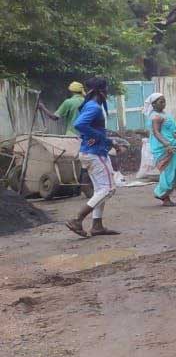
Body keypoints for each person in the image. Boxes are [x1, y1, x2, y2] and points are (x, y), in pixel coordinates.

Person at [67, 77, 119, 238]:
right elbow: (79, 125)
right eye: (106, 89)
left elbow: (85, 127)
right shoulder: (94, 107)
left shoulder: (90, 105)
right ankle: (77, 219)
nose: (107, 92)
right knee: (108, 189)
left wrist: (97, 137)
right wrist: (99, 137)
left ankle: (97, 226)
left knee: (99, 190)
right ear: (101, 90)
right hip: (95, 153)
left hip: (91, 152)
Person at [147, 93, 176, 206]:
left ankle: (165, 194)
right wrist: (167, 145)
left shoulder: (164, 114)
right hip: (165, 147)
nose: (163, 104)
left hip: (174, 144)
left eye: (164, 101)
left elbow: (171, 129)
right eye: (161, 102)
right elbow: (156, 133)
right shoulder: (156, 116)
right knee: (169, 171)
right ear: (153, 104)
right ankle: (163, 195)